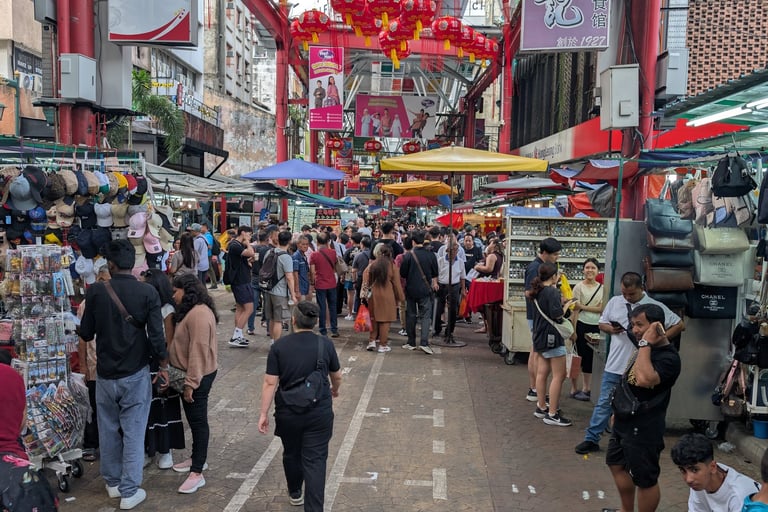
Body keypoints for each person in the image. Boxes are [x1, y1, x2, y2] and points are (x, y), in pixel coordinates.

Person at [79, 239, 169, 510]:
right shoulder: (147, 294)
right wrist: (163, 366)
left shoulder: (95, 291)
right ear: (133, 264)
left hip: (105, 374)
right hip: (136, 372)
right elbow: (156, 337)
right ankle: (130, 491)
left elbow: (85, 333)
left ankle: (112, 483)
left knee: (107, 429)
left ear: (111, 264)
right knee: (133, 431)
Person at [574, 272, 684, 456]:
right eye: (624, 293)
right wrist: (611, 329)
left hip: (639, 366)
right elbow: (602, 323)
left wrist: (656, 339)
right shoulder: (615, 302)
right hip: (615, 363)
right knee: (604, 402)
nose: (627, 297)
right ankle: (592, 438)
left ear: (641, 288)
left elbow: (679, 324)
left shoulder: (654, 307)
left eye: (631, 294)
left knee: (636, 406)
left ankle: (627, 441)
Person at [258, 301, 342, 510]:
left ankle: (295, 491)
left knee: (292, 452)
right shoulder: (325, 344)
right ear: (315, 322)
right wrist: (335, 389)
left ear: (293, 320)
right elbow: (337, 376)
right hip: (318, 411)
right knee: (315, 461)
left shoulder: (279, 346)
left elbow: (270, 382)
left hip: (288, 411)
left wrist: (263, 413)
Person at [605, 303, 681, 512]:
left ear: (656, 326)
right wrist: (616, 411)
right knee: (616, 464)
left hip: (645, 426)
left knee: (645, 478)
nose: (635, 330)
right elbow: (627, 381)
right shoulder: (643, 347)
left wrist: (646, 342)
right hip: (624, 420)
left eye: (640, 324)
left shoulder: (669, 358)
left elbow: (645, 378)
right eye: (632, 324)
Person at [168, 273, 219, 494]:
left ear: (186, 291)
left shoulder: (198, 314)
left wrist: (191, 383)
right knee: (194, 419)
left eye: (175, 291)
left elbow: (198, 350)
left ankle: (197, 471)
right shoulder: (194, 311)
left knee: (198, 422)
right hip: (193, 374)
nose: (173, 295)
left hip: (197, 376)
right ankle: (197, 459)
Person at [141, 269, 185, 470]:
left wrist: (164, 365)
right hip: (145, 362)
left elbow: (168, 339)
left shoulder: (167, 309)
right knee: (147, 408)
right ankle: (148, 450)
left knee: (163, 407)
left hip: (161, 362)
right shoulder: (142, 306)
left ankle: (165, 451)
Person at [526, 262, 575, 427]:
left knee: (542, 373)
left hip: (539, 336)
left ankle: (541, 406)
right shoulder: (552, 292)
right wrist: (567, 305)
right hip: (552, 337)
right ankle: (552, 413)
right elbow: (557, 315)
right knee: (559, 375)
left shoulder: (537, 291)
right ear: (554, 276)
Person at [670, 433, 760, 511]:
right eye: (683, 470)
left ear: (713, 467)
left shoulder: (739, 496)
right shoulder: (700, 482)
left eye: (694, 470)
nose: (688, 479)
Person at [523, 237, 562, 402]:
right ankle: (533, 389)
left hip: (537, 316)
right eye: (554, 254)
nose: (556, 257)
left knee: (537, 352)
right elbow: (528, 292)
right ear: (545, 253)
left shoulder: (540, 266)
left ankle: (535, 389)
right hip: (537, 316)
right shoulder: (535, 268)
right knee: (536, 353)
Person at [569, 258, 603, 401]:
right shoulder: (578, 287)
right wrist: (574, 331)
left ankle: (586, 388)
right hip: (581, 324)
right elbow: (574, 311)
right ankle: (573, 387)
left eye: (593, 268)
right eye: (587, 267)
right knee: (576, 357)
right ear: (583, 270)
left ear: (598, 271)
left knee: (590, 358)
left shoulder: (602, 288)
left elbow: (601, 308)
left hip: (596, 325)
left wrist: (582, 306)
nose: (589, 270)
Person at [400, 230, 439, 354]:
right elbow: (435, 273)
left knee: (411, 315)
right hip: (426, 290)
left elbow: (402, 273)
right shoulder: (431, 255)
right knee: (426, 316)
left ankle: (411, 342)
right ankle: (424, 342)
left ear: (413, 242)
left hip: (411, 290)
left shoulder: (408, 256)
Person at [362, 244, 404, 353]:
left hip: (373, 296)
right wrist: (401, 298)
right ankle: (382, 345)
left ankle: (371, 341)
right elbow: (397, 285)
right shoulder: (392, 266)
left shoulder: (372, 265)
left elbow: (365, 279)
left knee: (373, 318)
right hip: (387, 296)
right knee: (385, 321)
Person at [265, 230, 298, 343]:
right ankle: (276, 343)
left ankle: (272, 341)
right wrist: (293, 295)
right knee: (278, 320)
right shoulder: (286, 257)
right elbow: (289, 277)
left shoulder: (269, 252)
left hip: (268, 289)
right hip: (280, 293)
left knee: (272, 318)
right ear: (290, 241)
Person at [434, 235, 466, 344]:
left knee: (453, 310)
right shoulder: (440, 260)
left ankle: (450, 331)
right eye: (452, 251)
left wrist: (463, 289)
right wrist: (435, 283)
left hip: (455, 285)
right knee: (439, 308)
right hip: (442, 285)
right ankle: (437, 328)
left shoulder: (460, 262)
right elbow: (436, 274)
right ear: (447, 251)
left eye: (456, 251)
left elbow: (462, 276)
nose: (454, 253)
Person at [226, 225, 255, 348]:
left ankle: (239, 334)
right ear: (243, 233)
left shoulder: (236, 246)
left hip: (240, 279)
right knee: (249, 308)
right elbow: (250, 252)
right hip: (241, 281)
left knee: (240, 308)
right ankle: (236, 335)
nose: (250, 237)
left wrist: (248, 262)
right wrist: (248, 243)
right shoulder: (235, 245)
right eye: (249, 234)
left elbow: (242, 259)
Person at [310, 231, 340, 338]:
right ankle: (334, 329)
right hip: (331, 283)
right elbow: (335, 267)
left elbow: (313, 271)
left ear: (317, 241)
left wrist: (312, 282)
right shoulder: (333, 253)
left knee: (321, 307)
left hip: (320, 284)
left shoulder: (314, 255)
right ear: (328, 241)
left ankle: (323, 330)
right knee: (332, 306)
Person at [248, 230, 271, 335]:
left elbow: (249, 261)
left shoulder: (254, 248)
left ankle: (251, 328)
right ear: (267, 239)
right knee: (268, 304)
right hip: (266, 279)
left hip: (255, 277)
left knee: (253, 304)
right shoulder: (270, 250)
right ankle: (268, 329)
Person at [293, 235, 311, 302]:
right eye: (303, 244)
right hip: (300, 289)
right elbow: (295, 274)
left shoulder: (303, 256)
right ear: (298, 244)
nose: (305, 246)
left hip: (304, 287)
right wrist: (297, 290)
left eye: (307, 244)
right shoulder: (296, 256)